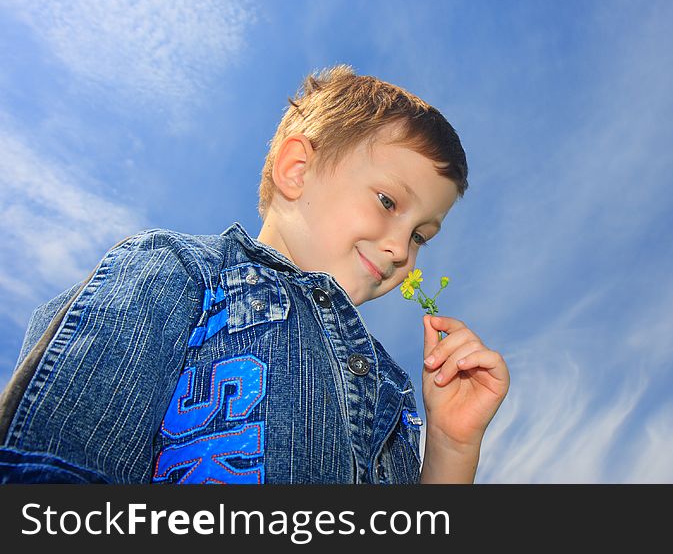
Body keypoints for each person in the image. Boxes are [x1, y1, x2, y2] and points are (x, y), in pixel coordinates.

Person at [0, 65, 509, 484]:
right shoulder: (175, 273)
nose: (401, 248)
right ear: (297, 171)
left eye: (421, 235)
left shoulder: (388, 385)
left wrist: (450, 445)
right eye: (387, 201)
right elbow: (57, 460)